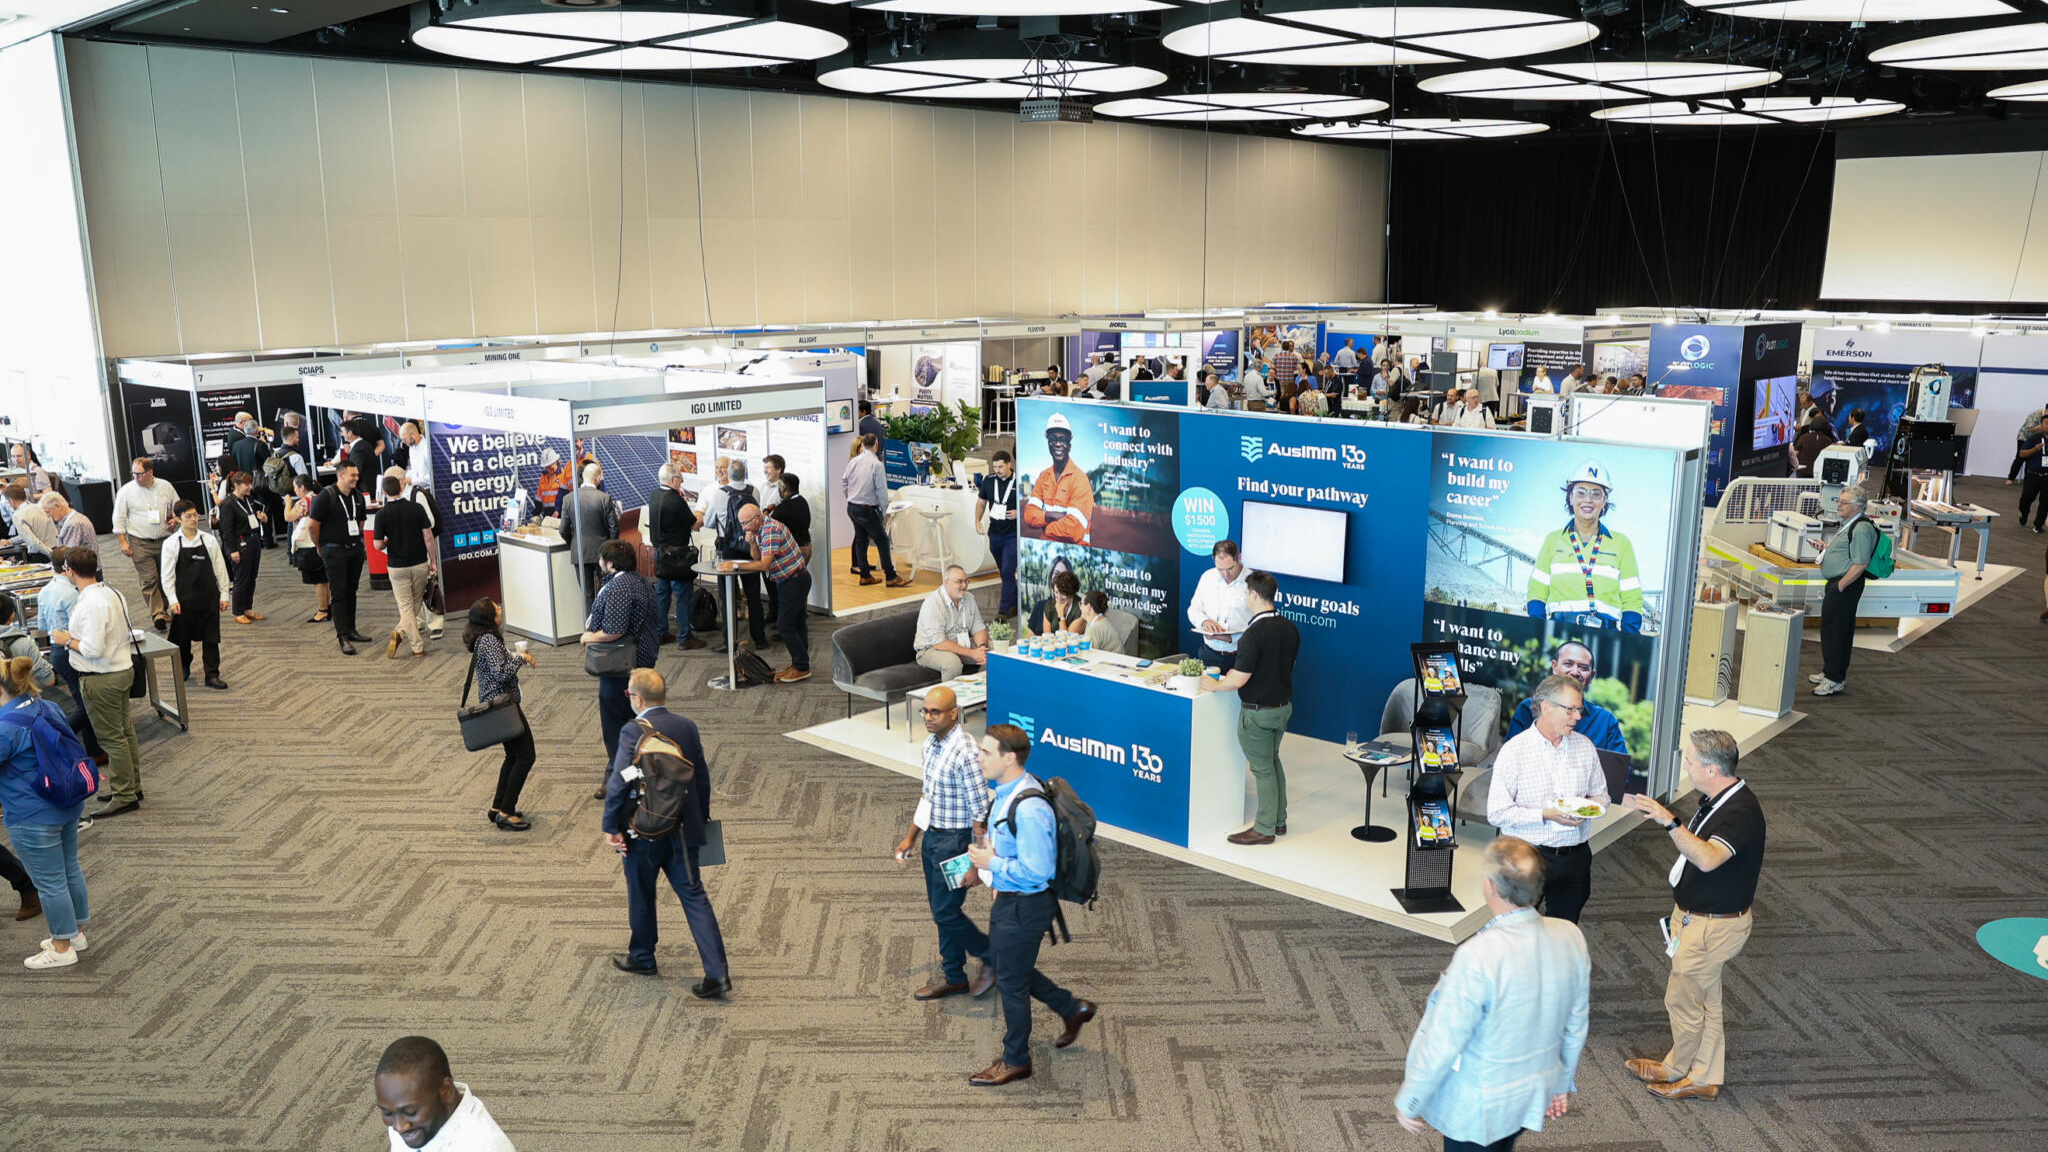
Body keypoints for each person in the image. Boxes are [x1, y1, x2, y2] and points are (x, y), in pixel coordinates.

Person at [1394, 836, 1589, 1151]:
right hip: (1531, 1091)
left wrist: (1411, 1097)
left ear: (1491, 888)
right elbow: (1576, 1024)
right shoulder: (1570, 936)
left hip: (1480, 1107)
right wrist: (1560, 1083)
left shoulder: (1479, 955)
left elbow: (1445, 1038)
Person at [964, 723, 1097, 1086]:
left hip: (1026, 904)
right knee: (1012, 968)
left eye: (986, 752)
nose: (979, 758)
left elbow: (1038, 870)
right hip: (1010, 897)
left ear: (1009, 758)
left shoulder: (1028, 808)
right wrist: (994, 865)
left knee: (1011, 983)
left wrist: (993, 865)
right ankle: (1073, 1009)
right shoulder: (1010, 789)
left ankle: (1016, 1060)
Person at [602, 668, 731, 997]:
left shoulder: (633, 731)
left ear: (639, 699)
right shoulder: (686, 727)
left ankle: (643, 957)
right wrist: (699, 820)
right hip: (682, 829)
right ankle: (717, 974)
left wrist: (612, 828)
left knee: (642, 893)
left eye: (629, 694)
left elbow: (621, 780)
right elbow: (700, 777)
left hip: (643, 829)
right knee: (694, 896)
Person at [893, 684, 995, 1000]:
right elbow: (928, 796)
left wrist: (977, 860)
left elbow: (980, 811)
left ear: (954, 713)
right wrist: (911, 837)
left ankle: (993, 957)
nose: (928, 717)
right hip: (933, 839)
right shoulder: (931, 746)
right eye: (925, 710)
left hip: (956, 843)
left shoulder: (965, 751)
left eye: (935, 711)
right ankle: (954, 976)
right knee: (941, 910)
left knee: (946, 912)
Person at [1486, 673, 1606, 924]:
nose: (1578, 717)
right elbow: (1496, 812)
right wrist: (1544, 814)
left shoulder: (1585, 746)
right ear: (1546, 707)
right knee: (1516, 928)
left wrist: (1590, 808)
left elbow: (1601, 795)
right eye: (1571, 710)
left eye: (1579, 709)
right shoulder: (1514, 751)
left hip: (1575, 855)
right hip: (1526, 856)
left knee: (1564, 928)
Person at [0, 654, 94, 970]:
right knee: (69, 869)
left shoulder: (6, 726)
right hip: (65, 804)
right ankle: (76, 932)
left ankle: (62, 947)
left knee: (50, 882)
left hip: (32, 815)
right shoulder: (46, 704)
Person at [49, 549, 144, 819]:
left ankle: (124, 795)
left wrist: (65, 640)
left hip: (101, 678)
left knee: (112, 738)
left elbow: (91, 649)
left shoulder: (90, 603)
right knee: (124, 733)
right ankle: (131, 787)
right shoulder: (112, 592)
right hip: (121, 670)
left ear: (71, 571)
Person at [1216, 570, 1297, 845]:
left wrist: (1212, 685)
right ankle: (1279, 820)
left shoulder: (1253, 633)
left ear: (1253, 594)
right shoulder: (1290, 627)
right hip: (1283, 708)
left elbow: (1239, 678)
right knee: (1273, 762)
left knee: (1262, 769)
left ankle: (1264, 828)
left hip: (1258, 713)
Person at [1526, 460, 1644, 632]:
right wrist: (1540, 632)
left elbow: (1632, 599)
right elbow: (1537, 592)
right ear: (1570, 497)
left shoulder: (1621, 544)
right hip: (1558, 632)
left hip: (1605, 636)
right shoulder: (1553, 540)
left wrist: (1627, 642)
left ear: (1605, 501)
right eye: (1581, 493)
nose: (1588, 500)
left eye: (1596, 494)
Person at [583, 539, 657, 800]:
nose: (600, 562)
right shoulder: (638, 581)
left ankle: (621, 778)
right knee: (634, 719)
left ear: (610, 563)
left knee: (617, 724)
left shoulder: (619, 588)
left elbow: (614, 630)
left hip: (620, 665)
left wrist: (589, 638)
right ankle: (630, 774)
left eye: (602, 558)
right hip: (641, 659)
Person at [456, 598, 538, 832]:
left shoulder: (484, 639)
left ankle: (498, 806)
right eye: (496, 608)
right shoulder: (490, 640)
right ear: (489, 617)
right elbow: (501, 674)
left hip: (499, 705)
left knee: (513, 756)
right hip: (504, 706)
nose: (500, 608)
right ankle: (506, 812)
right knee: (525, 756)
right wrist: (520, 658)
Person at [374, 1035, 516, 1152]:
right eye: (387, 1113)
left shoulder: (486, 1146)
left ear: (446, 1091)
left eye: (411, 1111)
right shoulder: (404, 1116)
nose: (398, 1127)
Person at [720, 503, 811, 683]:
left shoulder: (770, 530)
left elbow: (764, 565)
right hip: (791, 580)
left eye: (746, 523)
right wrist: (752, 542)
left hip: (795, 580)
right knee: (798, 624)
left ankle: (801, 666)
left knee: (785, 626)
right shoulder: (761, 530)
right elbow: (757, 557)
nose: (744, 527)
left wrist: (736, 565)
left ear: (758, 518)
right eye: (742, 524)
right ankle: (801, 665)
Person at [35, 549, 104, 764]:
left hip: (57, 653)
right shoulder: (75, 595)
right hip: (71, 652)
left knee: (85, 702)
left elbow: (42, 626)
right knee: (86, 705)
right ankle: (52, 741)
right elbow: (85, 631)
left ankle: (95, 750)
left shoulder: (45, 590)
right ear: (68, 568)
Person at [1811, 484, 1878, 697]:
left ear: (1857, 506)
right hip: (1840, 584)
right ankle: (1830, 671)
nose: (1838, 504)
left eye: (1844, 502)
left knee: (1836, 632)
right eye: (1839, 500)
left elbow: (1860, 564)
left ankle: (1834, 679)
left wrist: (1840, 586)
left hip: (1845, 586)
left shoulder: (1861, 528)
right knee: (1833, 630)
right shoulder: (1850, 524)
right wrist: (1826, 548)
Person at [1503, 641, 1628, 753]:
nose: (1574, 672)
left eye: (1583, 668)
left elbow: (1620, 772)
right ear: (1554, 667)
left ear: (1592, 676)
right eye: (1568, 664)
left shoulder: (1605, 721)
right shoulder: (1529, 709)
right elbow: (1511, 757)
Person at [160, 499, 232, 691]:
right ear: (178, 519)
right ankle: (183, 666)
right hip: (184, 599)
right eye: (188, 516)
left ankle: (212, 674)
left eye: (195, 514)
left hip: (208, 596)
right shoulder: (171, 544)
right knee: (182, 637)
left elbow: (220, 568)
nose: (194, 519)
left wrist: (224, 593)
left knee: (211, 637)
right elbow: (167, 576)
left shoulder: (208, 540)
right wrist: (172, 600)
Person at [308, 460, 371, 655]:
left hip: (354, 550)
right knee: (339, 593)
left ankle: (351, 630)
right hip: (334, 551)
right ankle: (342, 635)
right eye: (352, 475)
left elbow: (361, 522)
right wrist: (320, 546)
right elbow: (312, 525)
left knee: (351, 590)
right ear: (341, 475)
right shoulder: (326, 496)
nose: (356, 478)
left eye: (357, 475)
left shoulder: (357, 496)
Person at [375, 474, 437, 659]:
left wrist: (386, 542)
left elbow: (377, 544)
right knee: (416, 602)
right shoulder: (416, 508)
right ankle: (403, 634)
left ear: (384, 492)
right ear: (401, 489)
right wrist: (433, 561)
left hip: (397, 566)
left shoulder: (382, 514)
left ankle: (413, 643)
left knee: (406, 607)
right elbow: (428, 537)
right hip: (419, 562)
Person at [646, 462, 703, 651]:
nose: (682, 480)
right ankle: (685, 637)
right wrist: (704, 513)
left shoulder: (654, 495)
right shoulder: (676, 500)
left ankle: (661, 632)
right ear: (672, 480)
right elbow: (694, 524)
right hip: (677, 555)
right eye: (679, 477)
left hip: (660, 553)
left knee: (662, 593)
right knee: (683, 594)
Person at [842, 434, 908, 588]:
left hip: (852, 507)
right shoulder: (876, 464)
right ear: (876, 445)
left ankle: (865, 575)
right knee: (883, 540)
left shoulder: (854, 461)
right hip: (867, 509)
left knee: (861, 539)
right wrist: (884, 512)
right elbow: (882, 491)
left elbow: (844, 481)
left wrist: (850, 497)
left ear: (863, 445)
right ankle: (891, 576)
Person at [1022, 412, 1094, 546]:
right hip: (1047, 549)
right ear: (1048, 443)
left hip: (1076, 553)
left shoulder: (1080, 479)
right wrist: (1053, 515)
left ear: (1069, 445)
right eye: (1053, 439)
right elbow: (1029, 516)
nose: (1058, 444)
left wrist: (1045, 528)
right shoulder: (1044, 477)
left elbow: (1072, 530)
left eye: (1063, 440)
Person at [913, 564, 990, 681]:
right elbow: (939, 643)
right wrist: (972, 653)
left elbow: (978, 627)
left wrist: (981, 647)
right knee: (952, 663)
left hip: (959, 643)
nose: (964, 586)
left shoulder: (969, 598)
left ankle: (984, 691)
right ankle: (950, 698)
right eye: (959, 582)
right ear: (947, 582)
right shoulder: (933, 603)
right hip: (930, 649)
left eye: (966, 581)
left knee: (994, 652)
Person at [1187, 540, 1250, 672]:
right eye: (1220, 569)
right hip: (1209, 654)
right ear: (1213, 560)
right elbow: (1194, 609)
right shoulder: (1207, 577)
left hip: (1241, 657)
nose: (1226, 574)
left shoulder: (1253, 582)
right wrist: (1204, 621)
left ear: (1239, 558)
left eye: (1230, 568)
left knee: (1238, 693)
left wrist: (1232, 639)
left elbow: (1261, 624)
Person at [563, 462, 619, 611]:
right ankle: (609, 627)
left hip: (580, 553)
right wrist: (611, 550)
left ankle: (591, 630)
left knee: (587, 596)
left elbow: (563, 529)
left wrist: (574, 543)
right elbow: (614, 528)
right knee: (608, 592)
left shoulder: (568, 499)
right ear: (598, 479)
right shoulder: (605, 498)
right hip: (603, 554)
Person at [975, 450, 1020, 618]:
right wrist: (977, 521)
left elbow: (1032, 505)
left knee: (1008, 570)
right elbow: (981, 503)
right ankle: (1015, 601)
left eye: (1001, 466)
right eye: (995, 467)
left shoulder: (1021, 480)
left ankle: (1003, 610)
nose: (998, 470)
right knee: (1004, 572)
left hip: (1013, 535)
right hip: (994, 534)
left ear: (1009, 464)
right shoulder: (989, 480)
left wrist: (1019, 513)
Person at [218, 471, 266, 625]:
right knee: (241, 579)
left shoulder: (248, 499)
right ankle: (238, 611)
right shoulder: (227, 503)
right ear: (236, 485)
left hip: (253, 540)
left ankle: (247, 608)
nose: (250, 487)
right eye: (247, 484)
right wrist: (232, 550)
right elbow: (226, 530)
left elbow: (252, 517)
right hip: (239, 543)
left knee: (252, 577)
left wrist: (262, 518)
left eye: (250, 484)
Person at [285, 473, 331, 625]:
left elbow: (289, 517)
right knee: (325, 578)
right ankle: (329, 606)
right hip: (323, 541)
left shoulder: (304, 502)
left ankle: (322, 610)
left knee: (318, 580)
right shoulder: (321, 498)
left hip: (309, 544)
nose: (294, 491)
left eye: (295, 488)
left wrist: (287, 503)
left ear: (301, 487)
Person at [4, 485, 56, 558]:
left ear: (11, 501)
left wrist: (51, 555)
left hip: (41, 555)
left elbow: (33, 542)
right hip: (54, 549)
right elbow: (31, 535)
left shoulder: (18, 515)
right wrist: (10, 541)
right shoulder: (40, 507)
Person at [1029, 567, 1081, 639]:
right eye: (1056, 592)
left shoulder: (1080, 607)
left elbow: (1067, 639)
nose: (1058, 597)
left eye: (1063, 593)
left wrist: (1060, 614)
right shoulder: (1050, 605)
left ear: (1071, 593)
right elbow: (1047, 638)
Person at [2016, 426, 2048, 533]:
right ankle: (2024, 514)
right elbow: (2022, 454)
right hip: (2033, 475)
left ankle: (2038, 525)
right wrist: (2035, 449)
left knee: (2045, 503)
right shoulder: (2034, 438)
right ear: (2042, 425)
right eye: (2046, 423)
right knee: (2026, 499)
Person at [1793, 408, 1838, 478]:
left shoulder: (1804, 437)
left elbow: (1796, 453)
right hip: (1819, 472)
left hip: (1803, 471)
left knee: (1802, 488)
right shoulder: (1827, 440)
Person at [2009, 406, 2047, 485]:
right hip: (2024, 437)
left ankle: (2028, 479)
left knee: (2031, 457)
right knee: (2020, 458)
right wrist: (2043, 426)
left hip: (2036, 438)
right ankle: (2011, 478)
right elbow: (2029, 429)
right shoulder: (2036, 414)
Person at [535, 446, 571, 514]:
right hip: (547, 514)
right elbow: (539, 498)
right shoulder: (543, 477)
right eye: (546, 466)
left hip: (561, 513)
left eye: (549, 465)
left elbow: (565, 496)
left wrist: (558, 510)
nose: (548, 468)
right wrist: (535, 514)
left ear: (556, 462)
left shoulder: (563, 474)